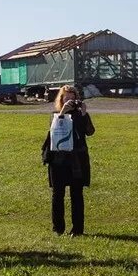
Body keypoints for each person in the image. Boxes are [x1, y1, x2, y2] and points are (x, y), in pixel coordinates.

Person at [42, 85, 95, 236]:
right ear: (61, 99)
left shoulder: (80, 115)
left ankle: (77, 229)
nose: (70, 101)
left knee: (76, 194)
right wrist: (62, 112)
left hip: (77, 159)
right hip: (59, 159)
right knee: (57, 194)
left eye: (73, 98)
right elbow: (52, 132)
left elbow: (90, 132)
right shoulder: (55, 115)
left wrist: (84, 114)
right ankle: (58, 228)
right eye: (67, 98)